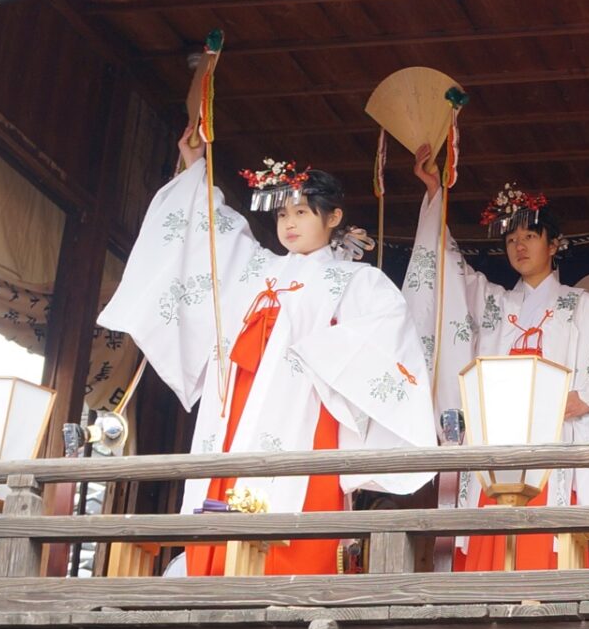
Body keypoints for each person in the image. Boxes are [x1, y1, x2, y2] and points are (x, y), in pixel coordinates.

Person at [100, 136, 441, 574]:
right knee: (223, 483)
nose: (290, 224)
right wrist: (194, 165)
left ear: (333, 217)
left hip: (304, 410)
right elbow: (211, 233)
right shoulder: (257, 267)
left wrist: (315, 351)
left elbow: (386, 331)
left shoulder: (356, 281)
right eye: (282, 214)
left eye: (302, 212)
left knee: (295, 497)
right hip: (236, 408)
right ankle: (212, 574)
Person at [407, 180, 589, 570]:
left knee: (543, 546)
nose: (519, 246)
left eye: (530, 236)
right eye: (511, 239)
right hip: (495, 449)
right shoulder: (493, 304)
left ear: (553, 245)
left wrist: (584, 398)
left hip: (553, 443)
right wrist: (435, 194)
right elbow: (448, 272)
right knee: (488, 545)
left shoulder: (583, 308)